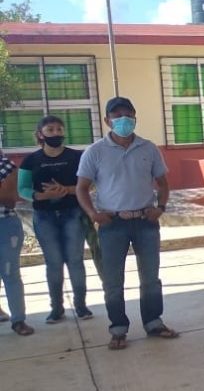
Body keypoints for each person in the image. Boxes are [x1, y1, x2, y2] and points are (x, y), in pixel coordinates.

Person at [76, 97, 178, 350]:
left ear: (135, 117)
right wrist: (93, 214)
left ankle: (153, 322)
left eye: (128, 115)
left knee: (150, 278)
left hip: (145, 221)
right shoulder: (95, 151)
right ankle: (118, 328)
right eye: (117, 115)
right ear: (107, 120)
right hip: (112, 223)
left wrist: (161, 207)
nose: (123, 120)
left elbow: (163, 183)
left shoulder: (148, 148)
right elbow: (82, 187)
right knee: (113, 281)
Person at [18, 115, 92, 323]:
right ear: (40, 134)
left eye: (59, 129)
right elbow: (22, 188)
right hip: (44, 216)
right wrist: (41, 196)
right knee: (54, 263)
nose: (56, 133)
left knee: (75, 260)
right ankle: (57, 309)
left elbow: (90, 185)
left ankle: (81, 306)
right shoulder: (31, 160)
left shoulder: (77, 157)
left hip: (73, 213)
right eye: (50, 130)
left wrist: (67, 190)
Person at [0, 148, 32, 336]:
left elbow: (9, 199)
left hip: (5, 226)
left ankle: (18, 320)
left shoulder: (6, 165)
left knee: (10, 273)